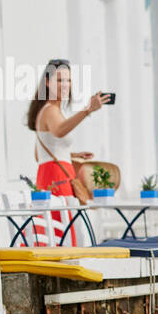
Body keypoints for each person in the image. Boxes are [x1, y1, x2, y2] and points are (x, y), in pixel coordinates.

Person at [26, 60, 108, 244]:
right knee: (63, 226)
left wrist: (71, 155)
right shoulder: (50, 111)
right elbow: (60, 130)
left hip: (51, 174)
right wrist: (87, 110)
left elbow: (39, 155)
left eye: (68, 81)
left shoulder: (48, 110)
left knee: (55, 226)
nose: (65, 85)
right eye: (60, 80)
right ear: (47, 82)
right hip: (58, 178)